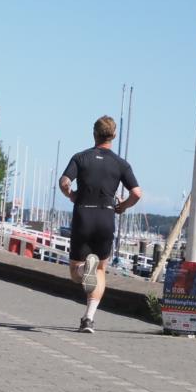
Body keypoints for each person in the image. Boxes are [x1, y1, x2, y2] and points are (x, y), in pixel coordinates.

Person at [59, 115, 142, 333]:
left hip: (83, 215)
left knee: (75, 272)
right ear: (114, 135)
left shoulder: (80, 158)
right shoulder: (121, 164)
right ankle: (88, 318)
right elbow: (136, 193)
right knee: (101, 270)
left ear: (94, 133)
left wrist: (71, 194)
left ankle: (84, 269)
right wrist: (122, 206)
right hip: (106, 217)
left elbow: (64, 182)